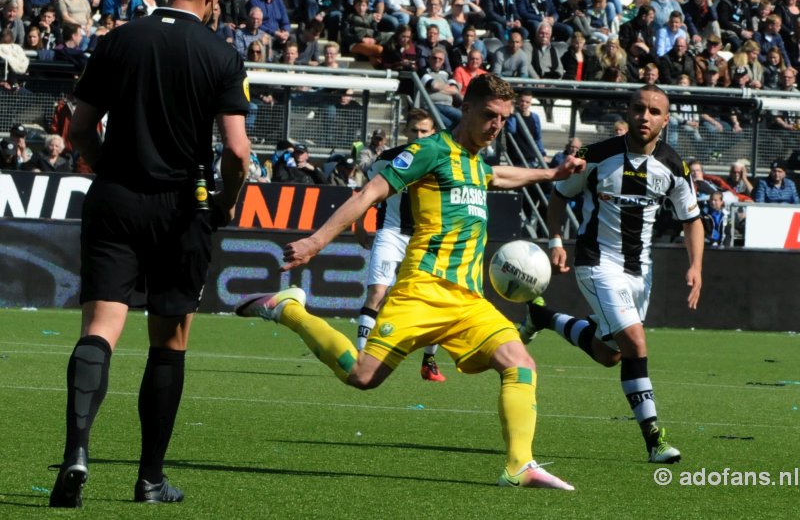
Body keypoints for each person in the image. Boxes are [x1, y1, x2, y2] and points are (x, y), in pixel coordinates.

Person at [235, 73, 585, 490]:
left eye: (504, 119)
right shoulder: (430, 151)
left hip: (469, 301)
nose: (496, 125)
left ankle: (519, 466)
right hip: (421, 289)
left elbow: (498, 177)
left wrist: (551, 174)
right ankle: (290, 309)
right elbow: (368, 194)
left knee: (520, 364)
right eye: (490, 115)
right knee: (363, 377)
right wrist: (315, 242)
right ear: (467, 109)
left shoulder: (474, 162)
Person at [48, 0, 251, 508]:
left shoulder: (119, 40)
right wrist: (225, 206)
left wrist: (106, 163)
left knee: (99, 329)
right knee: (169, 338)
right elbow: (236, 152)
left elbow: (81, 129)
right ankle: (150, 479)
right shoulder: (219, 53)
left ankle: (76, 454)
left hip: (115, 198)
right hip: (181, 207)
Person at [520, 85, 704, 465]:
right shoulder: (595, 156)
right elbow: (559, 194)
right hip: (596, 263)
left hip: (640, 272)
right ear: (629, 111)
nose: (645, 116)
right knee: (636, 344)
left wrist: (696, 265)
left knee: (610, 355)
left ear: (666, 120)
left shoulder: (674, 166)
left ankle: (544, 317)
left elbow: (692, 220)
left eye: (654, 111)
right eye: (639, 108)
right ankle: (655, 439)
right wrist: (555, 239)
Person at [354, 110, 447, 382]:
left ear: (433, 133)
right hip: (391, 232)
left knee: (435, 299)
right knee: (377, 293)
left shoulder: (442, 161)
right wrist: (360, 224)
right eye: (415, 131)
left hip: (425, 237)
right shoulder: (387, 159)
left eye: (425, 131)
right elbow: (367, 194)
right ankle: (361, 357)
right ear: (406, 132)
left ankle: (429, 361)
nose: (419, 136)